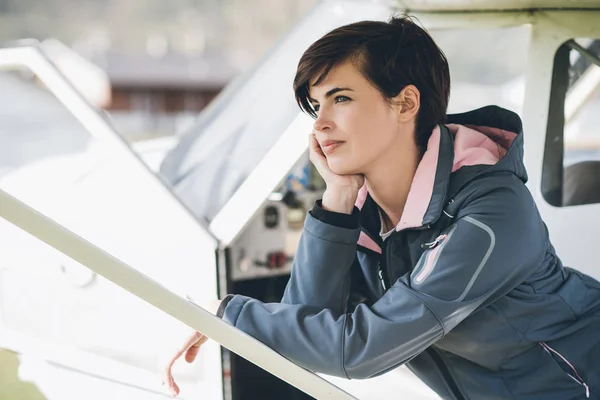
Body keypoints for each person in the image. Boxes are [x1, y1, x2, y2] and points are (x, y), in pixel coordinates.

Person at [161, 16, 600, 399]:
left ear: (406, 103)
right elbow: (303, 335)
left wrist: (228, 313)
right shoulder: (367, 215)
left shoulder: (491, 215)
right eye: (316, 105)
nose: (320, 123)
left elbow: (362, 350)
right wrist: (336, 202)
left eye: (342, 98)